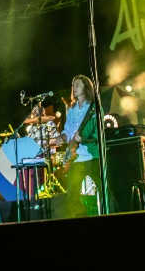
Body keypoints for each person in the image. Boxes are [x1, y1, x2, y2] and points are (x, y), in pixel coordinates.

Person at [56, 74, 102, 217]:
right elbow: (68, 130)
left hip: (93, 156)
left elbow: (98, 133)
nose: (74, 87)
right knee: (72, 195)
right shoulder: (72, 109)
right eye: (73, 85)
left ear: (86, 87)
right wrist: (62, 137)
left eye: (77, 85)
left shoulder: (94, 108)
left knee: (104, 191)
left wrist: (84, 139)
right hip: (76, 158)